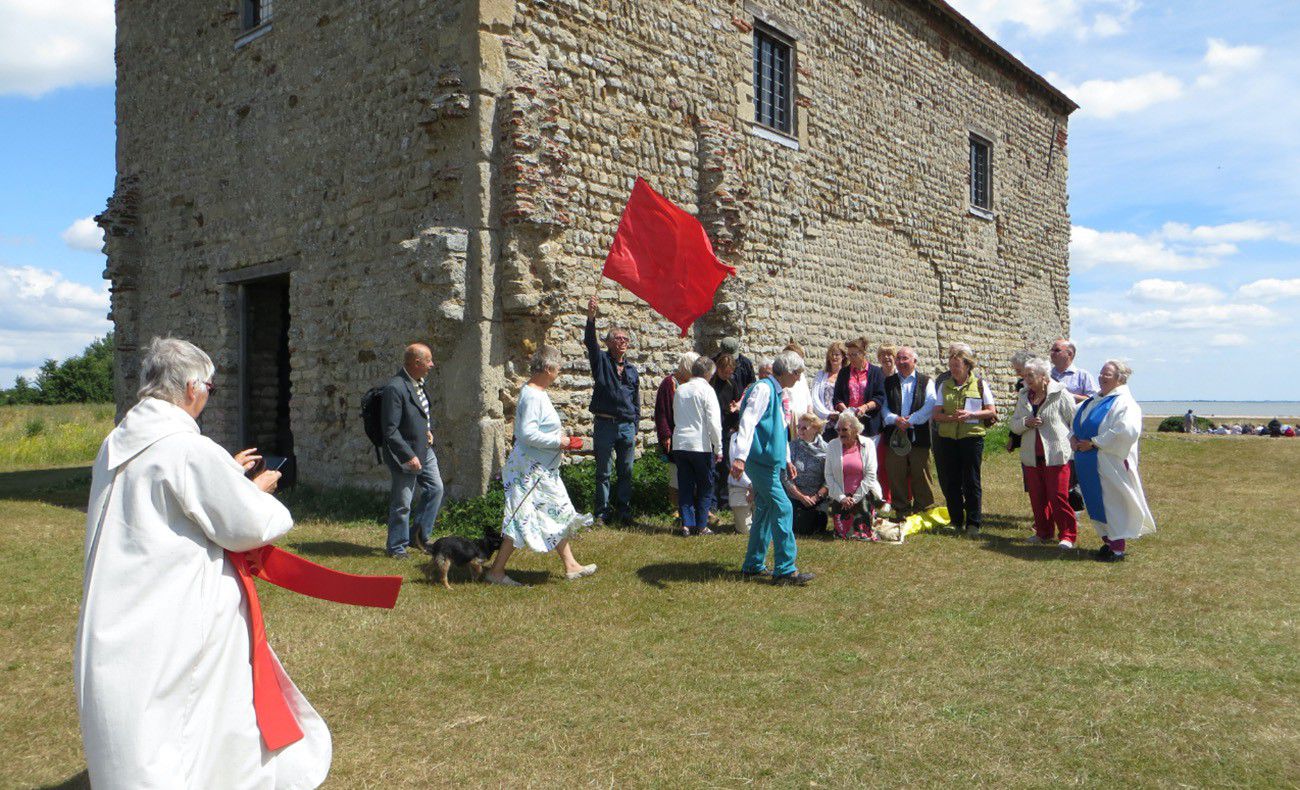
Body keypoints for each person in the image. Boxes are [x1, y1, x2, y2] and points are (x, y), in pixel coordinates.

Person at [75, 337, 329, 788]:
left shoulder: (117, 441)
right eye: (209, 386)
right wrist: (257, 488)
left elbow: (170, 502)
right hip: (174, 609)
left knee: (138, 719)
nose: (209, 396)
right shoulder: (187, 448)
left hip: (118, 606)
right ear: (193, 386)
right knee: (191, 715)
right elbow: (246, 524)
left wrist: (226, 471)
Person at [486, 346, 596, 585]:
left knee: (557, 511)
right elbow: (526, 434)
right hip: (530, 470)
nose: (559, 373)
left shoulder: (536, 391)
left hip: (541, 469)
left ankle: (571, 565)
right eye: (558, 368)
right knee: (521, 518)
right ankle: (496, 572)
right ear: (548, 368)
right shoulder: (533, 395)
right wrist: (561, 442)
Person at [732, 351, 815, 586]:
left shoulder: (777, 392)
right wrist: (739, 457)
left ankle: (753, 564)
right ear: (787, 371)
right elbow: (748, 421)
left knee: (766, 511)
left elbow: (778, 429)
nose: (799, 378)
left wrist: (786, 458)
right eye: (797, 373)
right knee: (784, 507)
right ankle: (785, 570)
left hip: (770, 462)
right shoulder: (764, 389)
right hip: (760, 463)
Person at [1071, 360, 1156, 562]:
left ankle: (1117, 548)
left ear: (1120, 378)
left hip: (1108, 461)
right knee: (1095, 501)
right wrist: (1073, 437)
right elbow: (1075, 421)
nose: (1101, 377)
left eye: (1107, 374)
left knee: (1113, 502)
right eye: (1101, 373)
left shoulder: (1124, 403)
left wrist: (1094, 443)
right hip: (1088, 461)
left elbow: (1126, 431)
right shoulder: (1094, 400)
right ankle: (1108, 542)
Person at [380, 342, 445, 558]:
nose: (432, 364)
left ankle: (418, 536)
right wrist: (408, 456)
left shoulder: (418, 382)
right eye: (428, 361)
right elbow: (390, 430)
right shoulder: (395, 388)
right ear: (417, 362)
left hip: (424, 449)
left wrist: (427, 431)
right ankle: (397, 547)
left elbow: (420, 413)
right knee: (402, 503)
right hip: (405, 455)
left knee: (435, 489)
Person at [1010, 358, 1079, 548]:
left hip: (1056, 455)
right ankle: (1043, 533)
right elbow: (1014, 425)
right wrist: (1026, 423)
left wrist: (1074, 444)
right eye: (1024, 376)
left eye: (1030, 376)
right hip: (1032, 456)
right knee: (1038, 497)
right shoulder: (1024, 396)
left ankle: (1067, 535)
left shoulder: (1060, 394)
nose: (1026, 380)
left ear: (1043, 376)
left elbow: (1075, 421)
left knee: (1058, 497)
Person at [931, 342, 997, 535]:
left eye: (957, 366)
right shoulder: (945, 385)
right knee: (952, 480)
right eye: (951, 366)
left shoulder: (979, 384)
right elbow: (936, 414)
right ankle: (956, 520)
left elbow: (991, 411)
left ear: (967, 366)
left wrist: (970, 415)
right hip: (948, 438)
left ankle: (974, 523)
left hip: (971, 438)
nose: (953, 370)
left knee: (971, 480)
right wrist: (951, 418)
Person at [586, 295, 640, 526]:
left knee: (626, 470)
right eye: (617, 338)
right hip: (605, 424)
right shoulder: (601, 362)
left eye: (625, 339)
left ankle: (624, 510)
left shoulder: (631, 369)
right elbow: (590, 343)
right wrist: (591, 318)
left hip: (626, 425)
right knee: (604, 471)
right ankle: (602, 512)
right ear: (608, 343)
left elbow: (636, 400)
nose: (622, 341)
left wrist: (635, 425)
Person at [880, 346, 938, 514]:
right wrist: (894, 419)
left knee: (921, 472)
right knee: (896, 474)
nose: (901, 362)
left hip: (919, 436)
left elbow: (930, 404)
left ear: (915, 361)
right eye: (899, 358)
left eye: (905, 358)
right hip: (894, 436)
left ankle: (925, 508)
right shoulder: (888, 382)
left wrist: (911, 421)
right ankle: (901, 509)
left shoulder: (926, 381)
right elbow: (883, 407)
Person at [673, 355, 724, 537]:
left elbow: (676, 416)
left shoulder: (681, 389)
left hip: (680, 442)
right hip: (699, 445)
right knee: (705, 485)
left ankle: (687, 524)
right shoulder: (707, 390)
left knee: (685, 484)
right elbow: (714, 422)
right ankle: (701, 525)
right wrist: (719, 448)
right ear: (708, 373)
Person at [824, 411, 883, 540]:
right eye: (838, 430)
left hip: (863, 494)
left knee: (862, 534)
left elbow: (871, 475)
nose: (840, 433)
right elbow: (828, 475)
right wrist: (842, 497)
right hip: (841, 497)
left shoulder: (868, 444)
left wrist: (855, 498)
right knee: (842, 534)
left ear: (856, 430)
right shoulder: (832, 445)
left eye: (844, 429)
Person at [654, 352, 699, 517]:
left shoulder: (694, 384)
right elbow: (661, 412)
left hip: (691, 435)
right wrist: (665, 434)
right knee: (675, 472)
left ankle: (691, 505)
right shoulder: (669, 383)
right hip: (674, 434)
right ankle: (675, 508)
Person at [832, 336, 886, 442]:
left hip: (870, 426)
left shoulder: (876, 372)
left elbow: (880, 397)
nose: (851, 358)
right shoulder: (843, 372)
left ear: (863, 354)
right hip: (848, 425)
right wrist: (846, 410)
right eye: (849, 355)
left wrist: (865, 407)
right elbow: (837, 397)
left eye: (854, 354)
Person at [784, 412, 829, 535]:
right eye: (799, 427)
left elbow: (830, 478)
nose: (800, 430)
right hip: (795, 497)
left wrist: (816, 497)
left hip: (818, 499)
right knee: (798, 529)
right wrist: (801, 497)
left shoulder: (827, 449)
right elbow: (786, 477)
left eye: (804, 428)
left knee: (814, 529)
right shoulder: (791, 447)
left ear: (815, 429)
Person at [1049, 337, 1099, 404]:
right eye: (1052, 350)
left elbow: (1094, 399)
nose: (1052, 353)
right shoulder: (1047, 374)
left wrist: (1067, 396)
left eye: (1057, 350)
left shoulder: (1083, 376)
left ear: (1069, 354)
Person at [1007, 350, 1036, 454]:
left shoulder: (1046, 384)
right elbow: (1019, 412)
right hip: (1026, 433)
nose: (1017, 374)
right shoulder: (1021, 385)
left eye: (1019, 370)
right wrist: (1012, 438)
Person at [727, 431, 755, 534]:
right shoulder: (735, 436)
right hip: (740, 485)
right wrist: (750, 485)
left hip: (761, 486)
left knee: (764, 527)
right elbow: (736, 469)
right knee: (746, 531)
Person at [811, 341, 845, 422]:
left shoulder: (847, 375)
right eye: (832, 354)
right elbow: (814, 397)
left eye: (837, 354)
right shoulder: (820, 375)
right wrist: (827, 414)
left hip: (841, 419)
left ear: (843, 357)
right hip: (824, 419)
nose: (834, 357)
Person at [783, 341, 814, 429]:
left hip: (803, 424)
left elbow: (808, 399)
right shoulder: (784, 376)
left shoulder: (802, 376)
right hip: (790, 423)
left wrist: (810, 417)